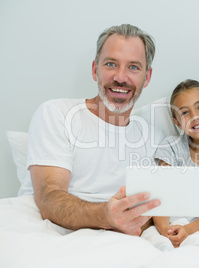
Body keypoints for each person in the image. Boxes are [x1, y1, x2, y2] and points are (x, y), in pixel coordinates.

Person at [20, 24, 161, 235]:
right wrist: (106, 216)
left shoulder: (154, 138)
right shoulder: (57, 114)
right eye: (111, 64)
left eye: (133, 67)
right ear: (95, 70)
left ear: (147, 77)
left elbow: (154, 210)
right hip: (54, 235)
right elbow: (49, 198)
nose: (121, 77)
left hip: (124, 242)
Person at [142, 79, 199, 248]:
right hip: (167, 223)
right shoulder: (171, 147)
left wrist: (188, 230)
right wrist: (166, 230)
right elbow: (160, 193)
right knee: (152, 240)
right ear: (177, 122)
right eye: (184, 112)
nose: (194, 116)